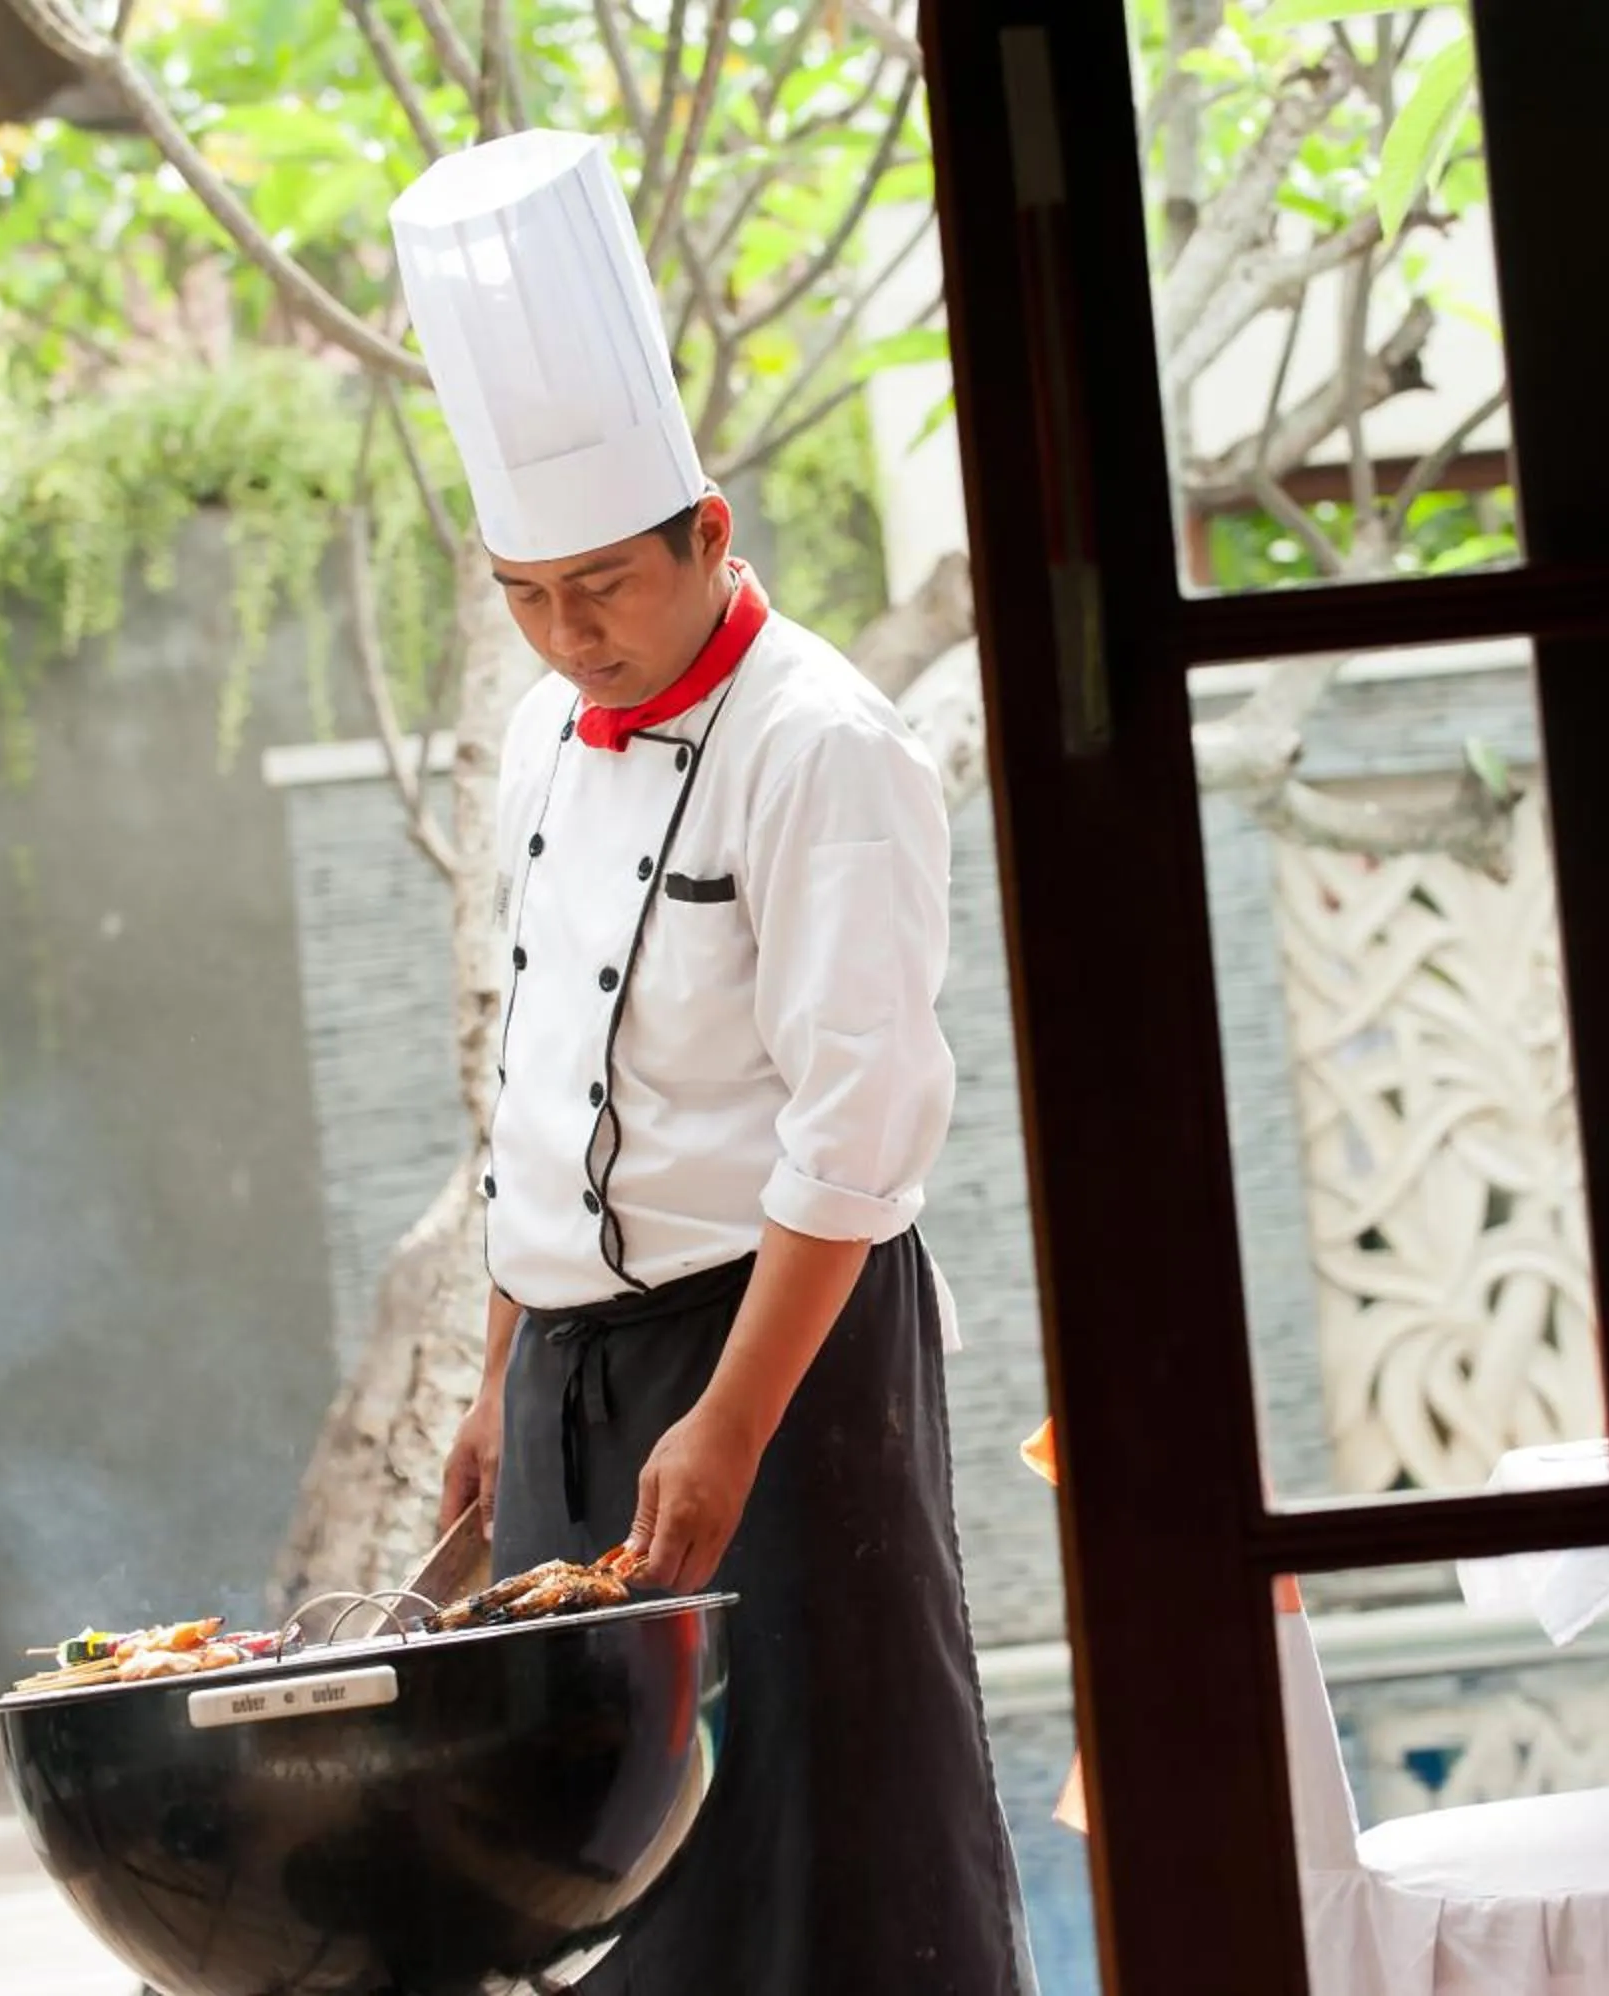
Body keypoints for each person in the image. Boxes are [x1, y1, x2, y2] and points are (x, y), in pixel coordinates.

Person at [388, 128, 1032, 1994]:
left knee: (818, 1842)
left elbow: (857, 1136)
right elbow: (540, 1085)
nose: (567, 634)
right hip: (571, 1371)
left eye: (601, 582)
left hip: (782, 1354)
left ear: (710, 531)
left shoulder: (827, 748)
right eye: (525, 592)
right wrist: (497, 1386)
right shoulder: (543, 734)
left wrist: (733, 1423)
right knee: (588, 1862)